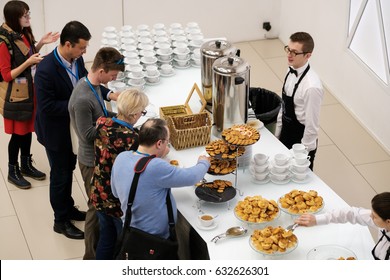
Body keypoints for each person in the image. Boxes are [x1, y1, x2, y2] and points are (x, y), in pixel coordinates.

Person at [34, 21, 111, 245]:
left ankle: (68, 208)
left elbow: (89, 84)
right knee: (60, 175)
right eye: (82, 47)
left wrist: (108, 95)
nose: (85, 52)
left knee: (68, 169)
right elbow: (47, 107)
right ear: (68, 44)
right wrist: (78, 104)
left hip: (72, 128)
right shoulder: (46, 70)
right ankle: (60, 221)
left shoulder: (75, 61)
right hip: (56, 133)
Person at [111, 118, 210, 245]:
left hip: (131, 232)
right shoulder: (156, 166)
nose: (167, 145)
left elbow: (115, 192)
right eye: (167, 142)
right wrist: (204, 162)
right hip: (155, 239)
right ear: (159, 143)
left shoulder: (122, 157)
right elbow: (192, 177)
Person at [68, 47, 125, 260]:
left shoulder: (91, 85)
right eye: (112, 75)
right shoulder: (82, 98)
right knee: (94, 208)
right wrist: (116, 125)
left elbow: (99, 115)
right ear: (101, 70)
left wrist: (119, 116)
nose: (113, 80)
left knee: (99, 208)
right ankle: (90, 256)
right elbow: (87, 134)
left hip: (99, 157)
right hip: (91, 160)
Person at [0, 0, 59, 189]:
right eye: (25, 15)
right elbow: (7, 75)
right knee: (17, 134)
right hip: (16, 94)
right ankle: (12, 170)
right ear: (14, 17)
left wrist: (41, 43)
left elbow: (29, 56)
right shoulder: (3, 42)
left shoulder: (23, 33)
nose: (29, 18)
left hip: (28, 89)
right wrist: (28, 63)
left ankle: (25, 165)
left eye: (28, 14)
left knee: (26, 131)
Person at [91, 88, 149, 260]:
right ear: (132, 114)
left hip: (98, 191)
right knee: (122, 242)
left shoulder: (102, 122)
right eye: (141, 112)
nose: (141, 115)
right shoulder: (132, 139)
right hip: (116, 200)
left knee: (106, 238)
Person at [274, 32, 324, 170]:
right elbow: (283, 106)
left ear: (308, 55)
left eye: (295, 52)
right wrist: (277, 136)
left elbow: (312, 126)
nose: (289, 55)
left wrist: (300, 156)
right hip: (286, 132)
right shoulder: (290, 69)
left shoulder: (312, 87)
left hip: (301, 140)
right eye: (288, 50)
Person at [295, 192, 390, 260]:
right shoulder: (383, 222)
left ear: (388, 222)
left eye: (374, 216)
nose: (370, 216)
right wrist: (316, 220)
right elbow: (352, 213)